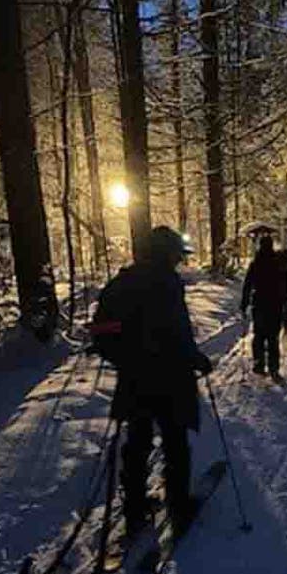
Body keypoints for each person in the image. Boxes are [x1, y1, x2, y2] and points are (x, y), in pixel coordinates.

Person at [109, 226, 214, 536]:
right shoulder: (167, 283)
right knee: (174, 442)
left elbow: (104, 331)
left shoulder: (124, 281)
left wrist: (124, 359)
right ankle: (178, 506)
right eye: (175, 255)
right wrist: (195, 358)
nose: (177, 261)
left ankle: (135, 507)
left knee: (138, 442)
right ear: (166, 253)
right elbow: (177, 333)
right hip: (170, 380)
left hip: (134, 380)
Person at [241, 234, 287, 381]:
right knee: (273, 337)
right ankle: (273, 368)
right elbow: (285, 283)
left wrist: (244, 303)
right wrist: (286, 300)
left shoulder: (255, 263)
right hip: (275, 304)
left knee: (259, 335)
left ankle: (259, 363)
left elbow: (248, 284)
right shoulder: (278, 262)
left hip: (260, 303)